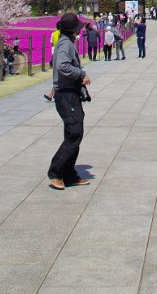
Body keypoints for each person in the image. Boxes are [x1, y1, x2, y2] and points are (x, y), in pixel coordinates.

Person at [47, 13, 92, 189]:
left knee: (74, 131)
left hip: (69, 92)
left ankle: (69, 174)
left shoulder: (65, 42)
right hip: (66, 94)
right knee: (74, 132)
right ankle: (56, 171)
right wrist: (81, 74)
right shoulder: (65, 44)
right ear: (74, 30)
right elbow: (61, 65)